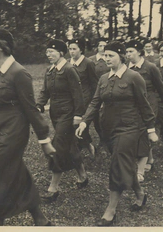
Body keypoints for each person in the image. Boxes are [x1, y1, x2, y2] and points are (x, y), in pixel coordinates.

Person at [0, 28, 55, 226]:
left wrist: (44, 140)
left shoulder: (19, 73)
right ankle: (39, 218)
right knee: (15, 170)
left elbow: (31, 109)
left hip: (14, 132)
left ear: (1, 47)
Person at [75, 41, 158, 226]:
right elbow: (95, 102)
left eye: (110, 55)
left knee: (116, 166)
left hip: (129, 129)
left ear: (121, 56)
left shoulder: (134, 77)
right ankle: (140, 195)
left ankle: (110, 211)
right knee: (124, 165)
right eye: (105, 55)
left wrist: (151, 129)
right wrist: (84, 122)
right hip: (109, 130)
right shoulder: (104, 78)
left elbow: (144, 105)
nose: (106, 59)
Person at [36, 39, 88, 203]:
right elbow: (44, 91)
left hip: (68, 115)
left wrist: (78, 115)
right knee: (70, 146)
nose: (48, 55)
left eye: (51, 52)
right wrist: (39, 105)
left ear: (60, 53)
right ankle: (83, 176)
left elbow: (78, 94)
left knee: (57, 146)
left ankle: (53, 188)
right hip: (55, 114)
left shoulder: (69, 69)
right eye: (47, 52)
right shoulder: (50, 71)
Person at [125, 40, 163, 181]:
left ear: (139, 52)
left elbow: (161, 87)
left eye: (131, 51)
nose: (128, 55)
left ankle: (141, 167)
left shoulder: (150, 67)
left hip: (149, 104)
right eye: (126, 52)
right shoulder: (126, 68)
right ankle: (149, 159)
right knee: (137, 132)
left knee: (145, 132)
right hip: (132, 105)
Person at [68, 38, 98, 156]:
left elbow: (94, 83)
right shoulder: (67, 63)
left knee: (79, 123)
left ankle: (86, 145)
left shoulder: (88, 63)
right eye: (70, 49)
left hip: (85, 98)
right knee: (70, 123)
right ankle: (84, 144)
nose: (71, 51)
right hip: (70, 99)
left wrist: (95, 100)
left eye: (74, 49)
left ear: (81, 50)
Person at [89, 38, 110, 143]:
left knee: (106, 114)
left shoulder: (109, 58)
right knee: (95, 114)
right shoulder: (91, 60)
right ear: (97, 47)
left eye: (104, 45)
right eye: (100, 45)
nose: (102, 48)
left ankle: (106, 138)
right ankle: (101, 136)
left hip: (108, 89)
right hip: (93, 90)